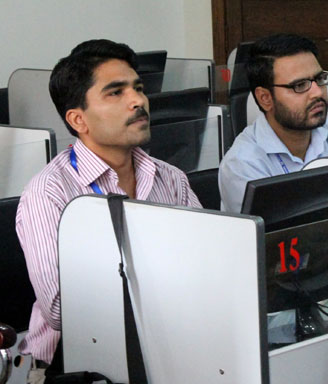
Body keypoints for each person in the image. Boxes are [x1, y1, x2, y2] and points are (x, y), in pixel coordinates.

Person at [16, 39, 202, 381]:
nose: (138, 101)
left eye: (138, 88)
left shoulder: (170, 178)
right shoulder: (49, 192)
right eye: (115, 93)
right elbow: (61, 310)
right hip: (76, 363)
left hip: (168, 345)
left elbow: (207, 264)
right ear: (78, 119)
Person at [218, 33, 328, 213]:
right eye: (300, 85)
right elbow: (272, 236)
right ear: (265, 98)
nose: (317, 93)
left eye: (319, 79)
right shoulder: (243, 164)